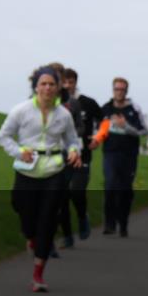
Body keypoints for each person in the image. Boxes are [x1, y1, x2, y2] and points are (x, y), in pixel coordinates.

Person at [0, 66, 82, 292]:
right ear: (36, 87)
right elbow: (3, 136)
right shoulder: (21, 110)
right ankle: (30, 237)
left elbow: (73, 140)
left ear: (57, 88)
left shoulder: (64, 115)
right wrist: (18, 151)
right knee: (23, 211)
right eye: (43, 83)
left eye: (51, 84)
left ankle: (38, 276)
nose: (47, 87)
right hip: (26, 170)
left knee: (47, 221)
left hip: (54, 171)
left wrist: (74, 151)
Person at [90, 77, 147, 237]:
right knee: (110, 186)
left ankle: (123, 223)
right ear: (113, 90)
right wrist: (96, 140)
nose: (119, 92)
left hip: (129, 155)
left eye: (122, 89)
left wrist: (126, 126)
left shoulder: (134, 109)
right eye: (117, 89)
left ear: (126, 91)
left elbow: (143, 130)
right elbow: (99, 129)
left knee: (125, 190)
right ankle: (109, 224)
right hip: (110, 153)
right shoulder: (106, 109)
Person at [57, 67, 102, 245]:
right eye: (64, 82)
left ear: (76, 83)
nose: (67, 86)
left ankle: (83, 217)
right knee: (61, 198)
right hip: (60, 156)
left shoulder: (87, 102)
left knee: (76, 190)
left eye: (71, 82)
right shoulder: (56, 103)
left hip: (82, 154)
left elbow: (104, 120)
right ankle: (67, 236)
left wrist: (98, 137)